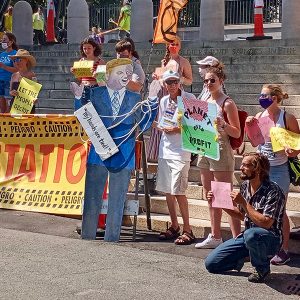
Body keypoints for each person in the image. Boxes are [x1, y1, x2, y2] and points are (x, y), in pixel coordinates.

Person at [80, 58, 158, 242]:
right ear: (107, 75)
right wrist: (77, 98)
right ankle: (87, 236)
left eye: (128, 73)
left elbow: (144, 123)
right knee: (92, 197)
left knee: (117, 199)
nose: (126, 77)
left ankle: (112, 238)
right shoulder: (94, 94)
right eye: (120, 72)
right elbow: (83, 116)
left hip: (123, 155)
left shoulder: (134, 98)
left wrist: (153, 100)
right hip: (98, 154)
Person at [205, 153, 285, 283]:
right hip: (248, 237)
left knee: (252, 234)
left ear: (258, 169)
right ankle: (245, 256)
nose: (241, 168)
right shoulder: (245, 186)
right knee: (212, 264)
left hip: (270, 239)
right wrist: (219, 202)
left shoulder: (273, 191)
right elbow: (242, 215)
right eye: (241, 164)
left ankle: (262, 268)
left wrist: (243, 202)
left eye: (246, 165)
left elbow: (266, 223)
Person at [246, 84, 300, 265]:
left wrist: (290, 150)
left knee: (280, 210)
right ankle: (265, 246)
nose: (261, 98)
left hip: (279, 169)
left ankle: (284, 249)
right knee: (260, 208)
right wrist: (250, 126)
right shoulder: (260, 117)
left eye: (264, 95)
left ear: (275, 98)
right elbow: (255, 143)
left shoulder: (288, 118)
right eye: (260, 95)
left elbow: (296, 145)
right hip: (262, 169)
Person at [195, 66, 241, 249]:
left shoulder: (227, 103)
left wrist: (223, 125)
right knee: (210, 195)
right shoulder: (204, 99)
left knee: (224, 197)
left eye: (212, 80)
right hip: (204, 147)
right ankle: (215, 235)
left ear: (221, 81)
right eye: (206, 80)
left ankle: (238, 239)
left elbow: (237, 132)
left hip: (221, 149)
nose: (208, 83)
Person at [156, 70, 196, 245]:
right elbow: (162, 122)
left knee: (178, 191)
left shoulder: (189, 98)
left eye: (174, 82)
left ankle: (188, 229)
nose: (172, 85)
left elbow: (196, 125)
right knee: (168, 191)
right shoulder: (164, 100)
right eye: (168, 83)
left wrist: (177, 129)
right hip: (165, 149)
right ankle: (174, 225)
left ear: (179, 83)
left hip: (181, 151)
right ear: (164, 85)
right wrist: (160, 126)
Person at [147, 35, 193, 162]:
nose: (174, 46)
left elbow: (190, 80)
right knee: (160, 124)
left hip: (175, 94)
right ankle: (156, 156)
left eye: (176, 44)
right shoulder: (164, 61)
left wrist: (178, 78)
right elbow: (162, 77)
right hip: (162, 95)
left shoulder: (183, 61)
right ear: (168, 46)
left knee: (171, 124)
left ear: (180, 46)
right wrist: (157, 76)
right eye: (171, 44)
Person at [70, 38, 105, 110]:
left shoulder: (100, 61)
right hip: (83, 89)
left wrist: (95, 75)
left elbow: (102, 79)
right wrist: (75, 72)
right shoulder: (81, 61)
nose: (86, 51)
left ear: (94, 48)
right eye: (84, 48)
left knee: (95, 111)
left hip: (95, 89)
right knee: (83, 112)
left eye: (89, 48)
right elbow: (80, 79)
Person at [0, 32, 18, 113]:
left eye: (5, 40)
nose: (3, 42)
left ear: (11, 42)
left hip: (9, 82)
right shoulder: (2, 54)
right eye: (2, 40)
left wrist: (4, 66)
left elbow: (17, 70)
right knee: (2, 106)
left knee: (9, 106)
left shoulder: (15, 54)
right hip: (0, 81)